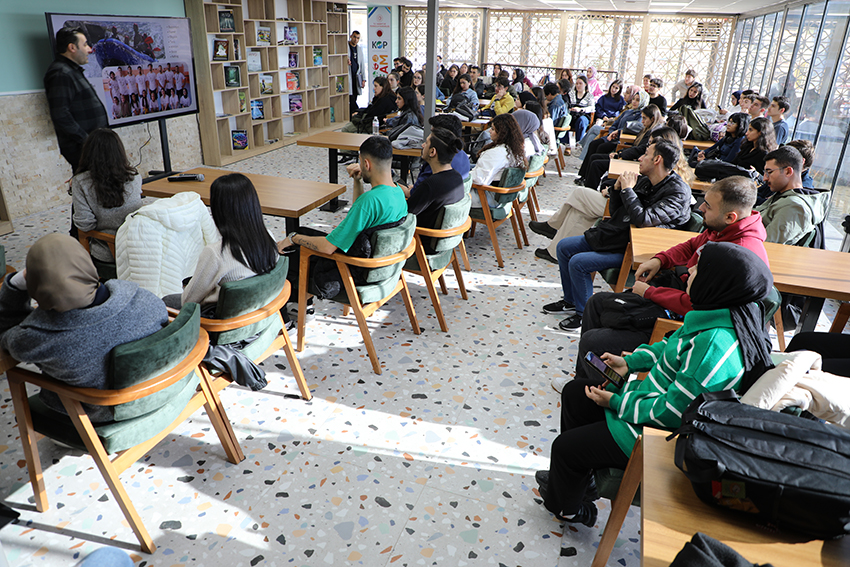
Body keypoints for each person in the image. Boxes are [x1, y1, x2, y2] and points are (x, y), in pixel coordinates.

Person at [535, 242, 774, 527]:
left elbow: (673, 413)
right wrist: (631, 362)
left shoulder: (714, 344)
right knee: (576, 393)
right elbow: (670, 346)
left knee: (565, 448)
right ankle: (580, 483)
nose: (690, 271)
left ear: (715, 282)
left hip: (660, 435)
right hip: (651, 404)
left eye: (698, 268)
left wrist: (616, 402)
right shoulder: (714, 315)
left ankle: (570, 510)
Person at [560, 176, 769, 391]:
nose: (700, 207)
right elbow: (691, 246)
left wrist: (650, 293)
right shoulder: (721, 228)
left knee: (594, 342)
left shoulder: (739, 256)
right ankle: (590, 382)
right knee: (596, 304)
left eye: (708, 205)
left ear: (730, 216)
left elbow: (698, 307)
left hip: (686, 322)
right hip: (673, 297)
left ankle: (597, 391)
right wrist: (660, 260)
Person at [0, 233, 167, 423]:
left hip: (99, 417)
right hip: (161, 396)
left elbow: (6, 329)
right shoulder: (144, 299)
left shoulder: (37, 338)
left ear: (37, 285)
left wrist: (16, 285)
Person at [544, 139, 692, 331]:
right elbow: (617, 213)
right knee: (564, 247)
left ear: (657, 160)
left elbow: (643, 219)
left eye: (645, 154)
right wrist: (616, 191)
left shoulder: (678, 192)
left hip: (641, 251)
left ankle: (584, 315)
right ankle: (571, 301)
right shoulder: (647, 180)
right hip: (620, 237)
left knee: (578, 262)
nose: (640, 157)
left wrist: (628, 190)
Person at [277, 136, 408, 297]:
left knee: (287, 254)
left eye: (360, 162)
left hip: (348, 271)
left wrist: (293, 238)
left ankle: (296, 309)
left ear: (366, 164)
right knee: (303, 230)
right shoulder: (398, 193)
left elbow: (328, 247)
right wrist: (357, 182)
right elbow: (361, 217)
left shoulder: (370, 202)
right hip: (381, 269)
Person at [162, 174, 278, 313]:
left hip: (226, 324)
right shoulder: (269, 237)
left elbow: (188, 301)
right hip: (261, 316)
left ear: (219, 210)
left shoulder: (216, 253)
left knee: (167, 301)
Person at [72, 129, 143, 264]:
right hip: (140, 247)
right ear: (119, 152)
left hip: (110, 252)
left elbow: (85, 224)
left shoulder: (81, 182)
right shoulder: (134, 177)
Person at [44, 27, 108, 173]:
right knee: (94, 192)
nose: (89, 49)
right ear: (72, 47)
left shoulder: (71, 70)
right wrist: (86, 141)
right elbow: (60, 114)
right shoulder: (61, 73)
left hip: (94, 147)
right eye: (85, 44)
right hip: (85, 150)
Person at [403, 127, 466, 247]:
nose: (422, 145)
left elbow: (405, 214)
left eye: (426, 143)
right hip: (444, 244)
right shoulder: (457, 177)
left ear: (432, 152)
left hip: (420, 244)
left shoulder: (430, 185)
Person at [578, 104, 665, 190]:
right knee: (594, 156)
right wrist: (619, 152)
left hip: (635, 161)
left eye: (644, 118)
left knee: (596, 164)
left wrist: (619, 154)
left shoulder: (653, 134)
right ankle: (587, 186)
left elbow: (640, 150)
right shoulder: (646, 129)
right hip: (629, 155)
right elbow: (635, 146)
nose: (642, 121)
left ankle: (589, 191)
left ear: (653, 119)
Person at [755, 146, 829, 245]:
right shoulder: (784, 196)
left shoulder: (794, 207)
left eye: (769, 172)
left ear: (788, 171)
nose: (765, 178)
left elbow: (765, 245)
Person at [469, 114, 527, 209]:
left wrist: (461, 176)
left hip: (486, 196)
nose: (489, 132)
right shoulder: (514, 149)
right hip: (500, 197)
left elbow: (479, 179)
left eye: (492, 129)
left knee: (445, 193)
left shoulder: (496, 153)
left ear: (502, 132)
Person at [403, 114, 471, 195]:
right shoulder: (463, 156)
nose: (423, 145)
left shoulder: (438, 164)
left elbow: (412, 194)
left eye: (433, 133)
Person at [578, 89, 649, 161]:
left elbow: (633, 129)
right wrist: (611, 132)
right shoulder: (627, 112)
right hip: (612, 136)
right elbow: (615, 124)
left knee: (600, 147)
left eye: (638, 100)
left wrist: (617, 133)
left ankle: (592, 165)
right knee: (593, 143)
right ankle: (584, 171)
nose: (634, 102)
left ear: (643, 101)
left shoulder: (641, 115)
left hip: (621, 140)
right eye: (633, 99)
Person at [566, 75, 594, 142]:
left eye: (580, 83)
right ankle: (565, 143)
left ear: (585, 84)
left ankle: (579, 143)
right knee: (565, 118)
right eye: (577, 83)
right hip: (572, 114)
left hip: (583, 115)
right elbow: (567, 103)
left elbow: (592, 108)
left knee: (581, 121)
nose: (578, 85)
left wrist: (581, 109)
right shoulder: (571, 93)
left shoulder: (589, 96)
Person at [348, 31, 366, 114]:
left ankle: (354, 113)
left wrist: (364, 79)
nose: (356, 39)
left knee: (354, 95)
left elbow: (362, 64)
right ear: (351, 36)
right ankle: (356, 112)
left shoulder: (359, 49)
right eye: (354, 37)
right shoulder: (346, 47)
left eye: (358, 38)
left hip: (356, 76)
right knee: (350, 97)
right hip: (348, 75)